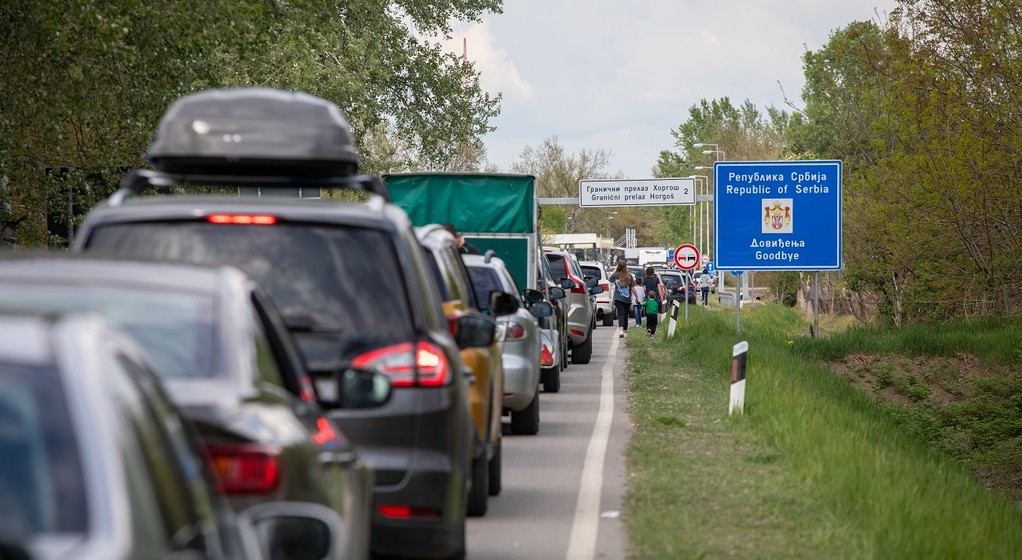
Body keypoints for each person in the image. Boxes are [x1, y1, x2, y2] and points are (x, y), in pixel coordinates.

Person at [608, 261, 638, 338]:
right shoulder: (629, 276)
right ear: (625, 267)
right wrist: (637, 297)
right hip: (627, 299)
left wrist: (615, 270)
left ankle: (621, 329)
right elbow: (632, 288)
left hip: (618, 298)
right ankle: (624, 329)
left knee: (621, 314)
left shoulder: (615, 275)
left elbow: (610, 279)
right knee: (625, 314)